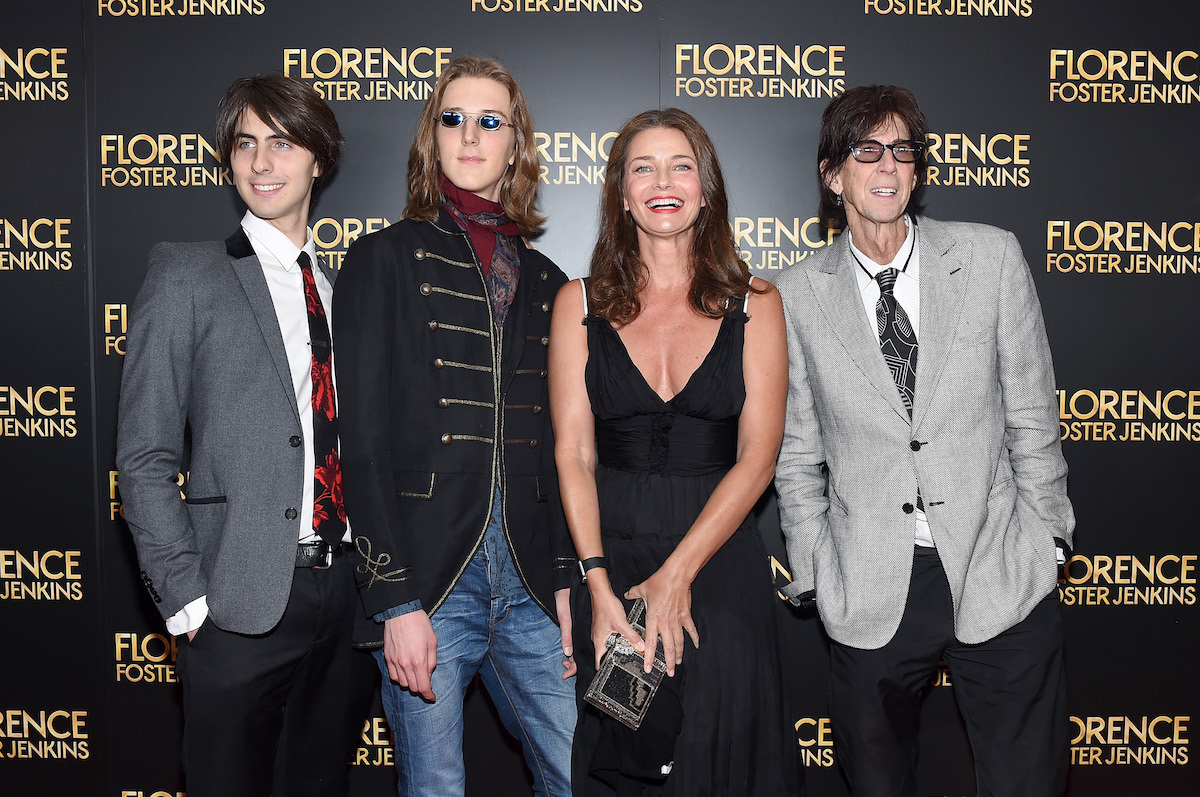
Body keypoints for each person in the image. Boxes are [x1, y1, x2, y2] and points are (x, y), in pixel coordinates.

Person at [774, 85, 1075, 797]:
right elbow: (794, 453)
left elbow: (1033, 411)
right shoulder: (791, 295)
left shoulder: (991, 259)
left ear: (918, 169)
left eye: (902, 150)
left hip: (1000, 565)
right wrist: (817, 566)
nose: (887, 165)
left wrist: (1048, 538)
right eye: (866, 149)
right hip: (869, 580)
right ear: (832, 172)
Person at [116, 74, 367, 797]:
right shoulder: (186, 274)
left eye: (282, 143)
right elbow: (143, 455)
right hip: (235, 602)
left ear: (319, 159)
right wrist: (189, 602)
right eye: (245, 144)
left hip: (343, 600)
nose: (261, 163)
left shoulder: (343, 289)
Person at [334, 56, 575, 797]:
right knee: (434, 787)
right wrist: (394, 601)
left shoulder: (550, 282)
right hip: (432, 584)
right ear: (431, 137)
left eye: (489, 120)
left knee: (577, 773)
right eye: (453, 118)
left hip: (532, 585)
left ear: (516, 145)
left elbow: (564, 448)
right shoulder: (381, 259)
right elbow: (362, 444)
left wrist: (566, 581)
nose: (470, 135)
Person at [549, 108, 801, 796]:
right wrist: (597, 589)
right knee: (627, 766)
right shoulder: (577, 304)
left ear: (707, 188)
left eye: (681, 165)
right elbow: (573, 451)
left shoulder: (757, 302)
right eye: (643, 167)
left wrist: (677, 573)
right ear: (621, 193)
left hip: (717, 564)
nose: (664, 181)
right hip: (614, 568)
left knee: (722, 760)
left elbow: (759, 455)